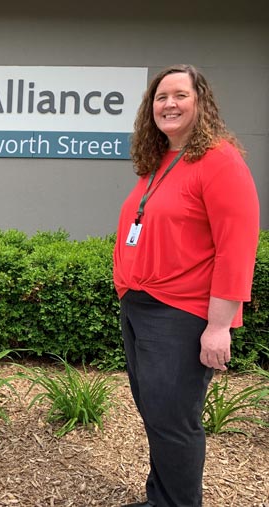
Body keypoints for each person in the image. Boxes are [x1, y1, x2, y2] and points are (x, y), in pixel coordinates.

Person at [113, 64, 259, 507]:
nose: (169, 104)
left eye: (180, 95)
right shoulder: (162, 161)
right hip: (140, 306)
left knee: (174, 420)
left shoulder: (219, 160)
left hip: (181, 314)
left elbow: (236, 248)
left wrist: (218, 327)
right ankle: (161, 497)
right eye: (161, 97)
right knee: (156, 414)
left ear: (201, 103)